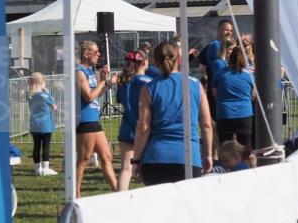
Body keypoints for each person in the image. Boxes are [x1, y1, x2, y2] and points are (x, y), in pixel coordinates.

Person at [131, 42, 213, 185]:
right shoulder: (195, 85)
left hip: (156, 157)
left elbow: (143, 127)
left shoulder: (149, 88)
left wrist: (136, 160)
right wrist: (208, 155)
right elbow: (206, 124)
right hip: (189, 157)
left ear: (155, 61)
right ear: (180, 60)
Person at [75, 40, 117, 196]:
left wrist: (107, 84)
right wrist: (101, 81)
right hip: (85, 120)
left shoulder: (90, 71)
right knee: (84, 159)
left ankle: (118, 191)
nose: (99, 54)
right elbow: (88, 96)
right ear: (86, 53)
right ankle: (75, 193)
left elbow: (95, 94)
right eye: (96, 51)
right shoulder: (79, 72)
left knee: (106, 156)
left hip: (94, 119)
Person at [116, 50, 153, 191]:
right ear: (144, 62)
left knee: (126, 169)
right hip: (145, 129)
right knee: (149, 169)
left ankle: (120, 199)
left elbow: (119, 99)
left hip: (126, 129)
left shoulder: (123, 82)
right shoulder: (149, 82)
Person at [212, 44, 257, 147]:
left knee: (225, 147)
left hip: (224, 113)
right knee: (245, 147)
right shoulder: (249, 75)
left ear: (230, 58)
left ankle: (225, 163)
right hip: (244, 114)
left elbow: (215, 93)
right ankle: (245, 163)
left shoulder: (219, 73)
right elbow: (253, 95)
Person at [27, 72, 57, 176]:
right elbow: (54, 105)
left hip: (34, 124)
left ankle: (37, 168)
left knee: (36, 146)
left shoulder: (30, 95)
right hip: (45, 125)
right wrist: (48, 92)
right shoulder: (44, 95)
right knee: (46, 146)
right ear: (41, 83)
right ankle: (45, 168)